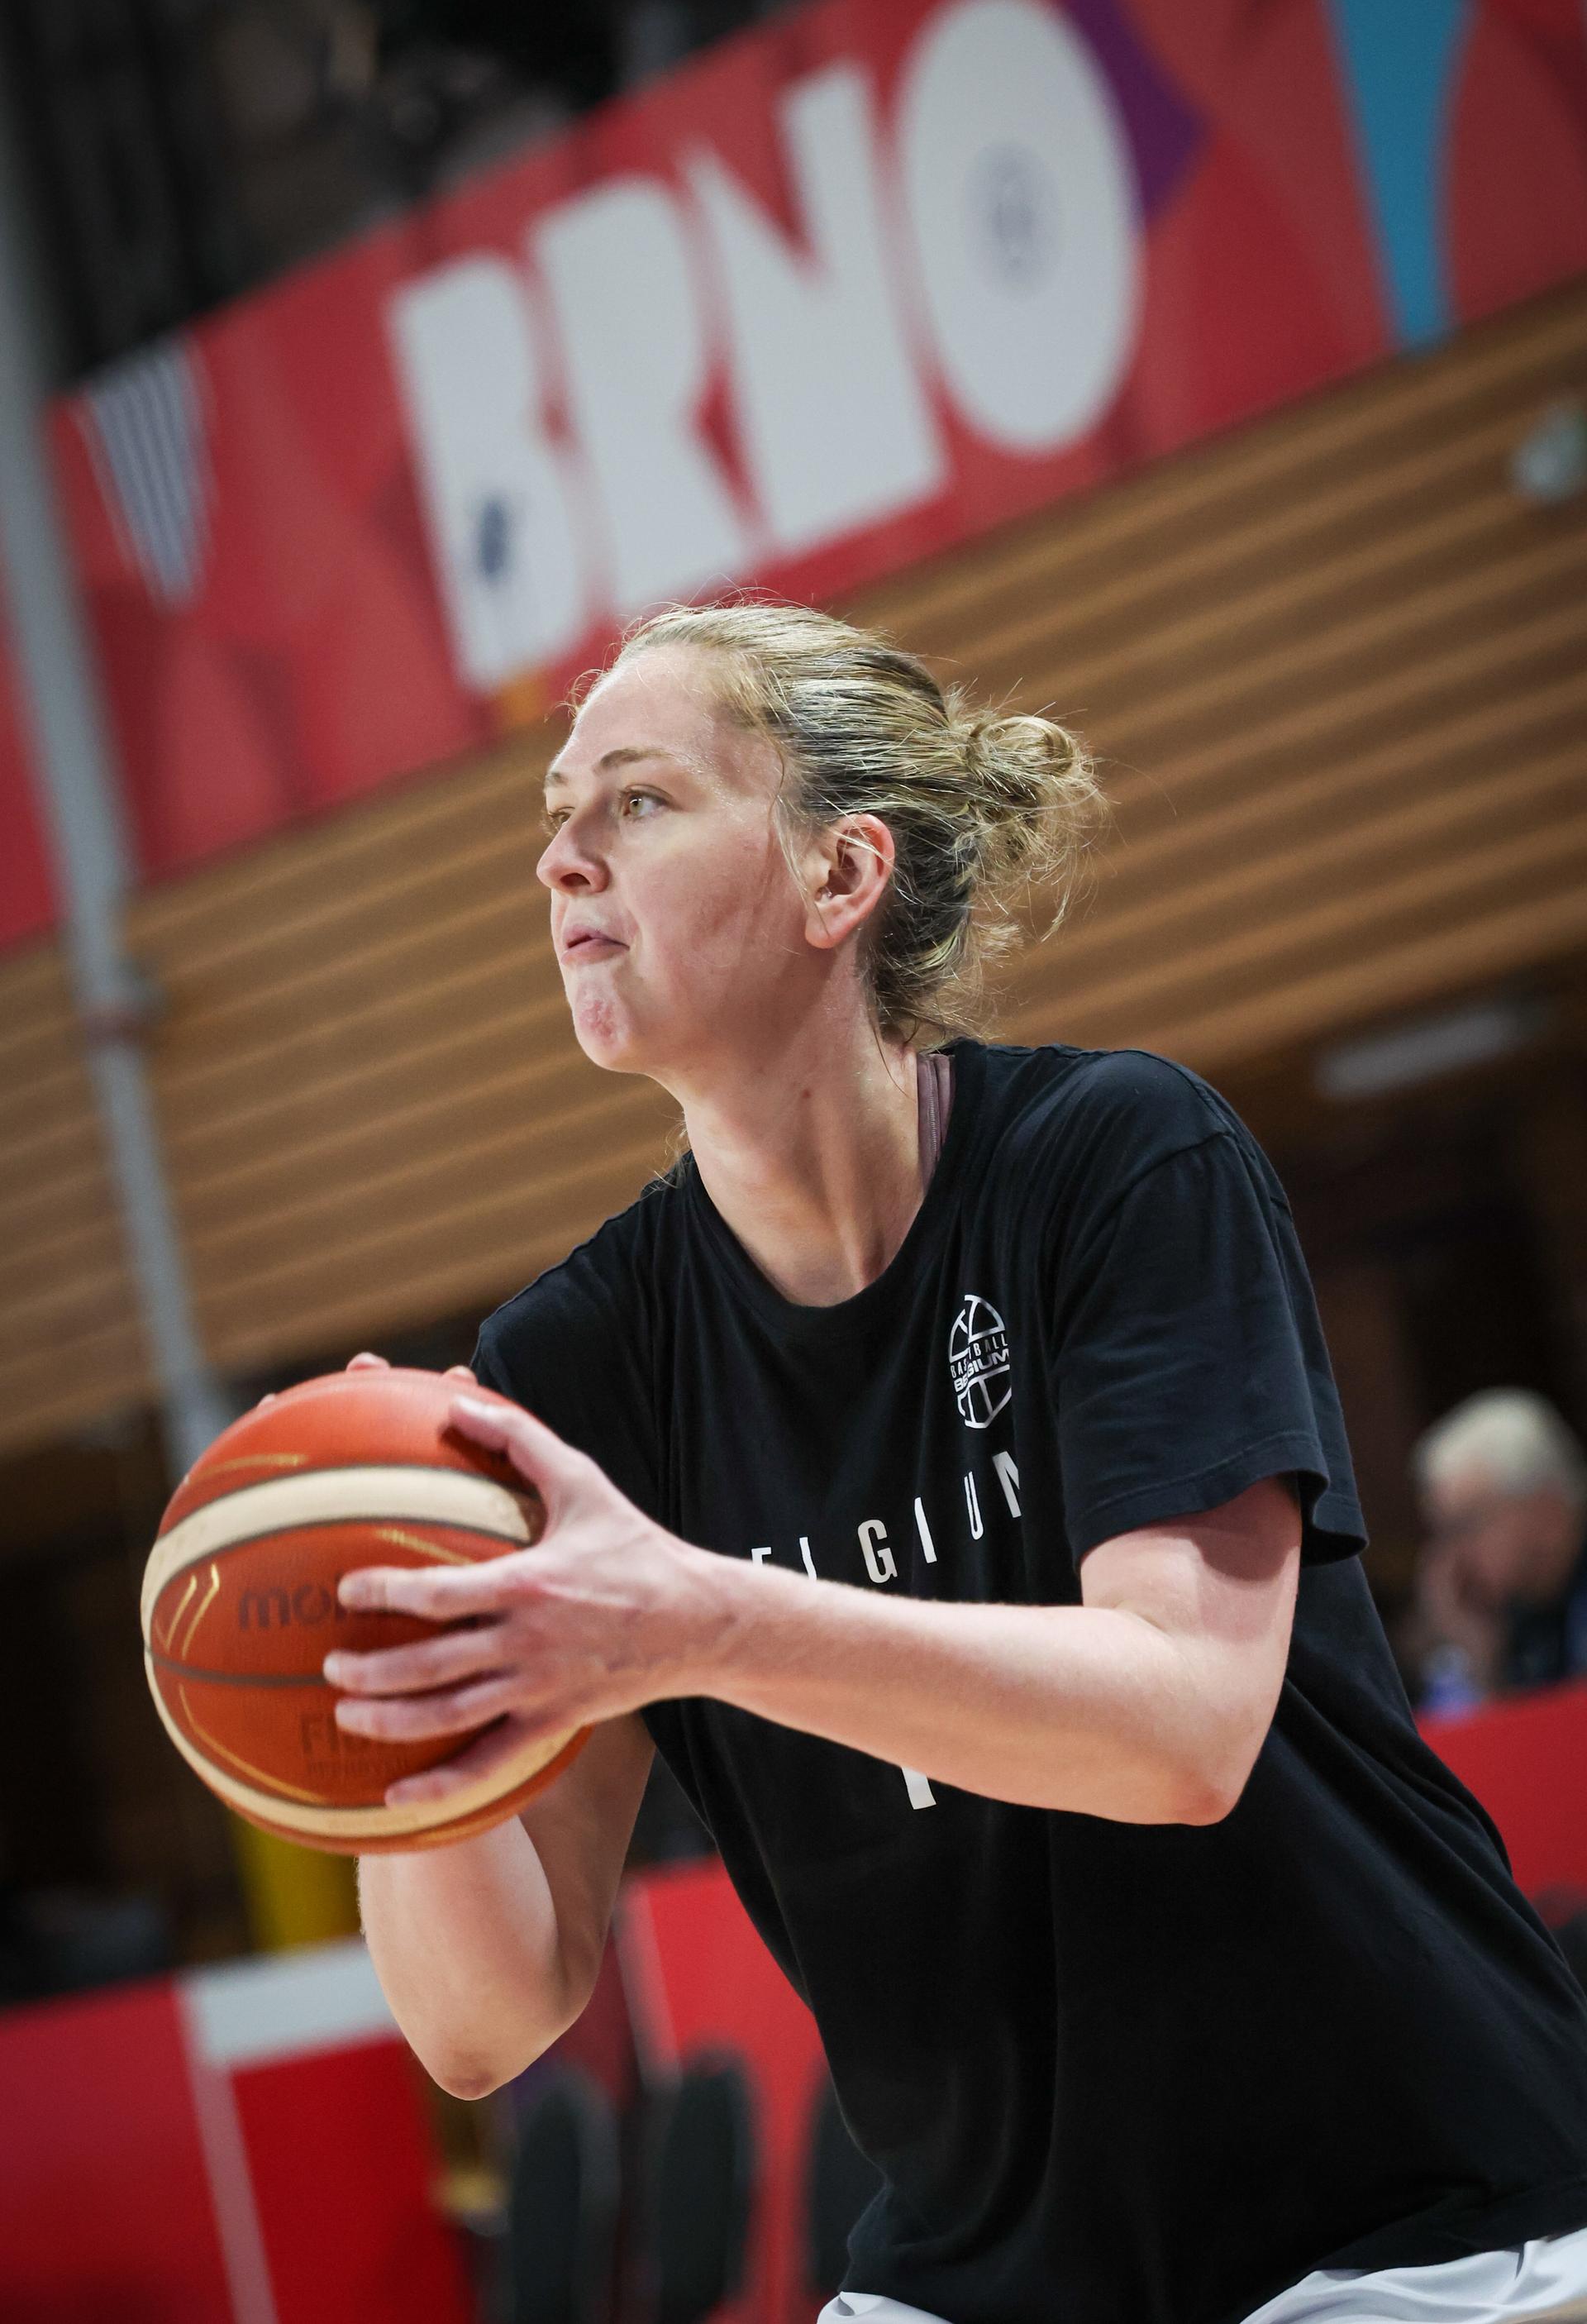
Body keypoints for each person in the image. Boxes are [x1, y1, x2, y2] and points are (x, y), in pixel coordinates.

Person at [322, 603, 1587, 2324]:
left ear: (841, 874)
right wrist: (390, 1712)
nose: (562, 860)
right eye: (557, 815)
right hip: (984, 2273)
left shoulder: (1118, 1163)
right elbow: (487, 2020)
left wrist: (697, 1617)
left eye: (640, 800)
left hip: (1398, 2218)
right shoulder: (579, 1367)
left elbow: (1182, 1726)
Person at [1408, 1388, 1587, 1706]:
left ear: (1547, 1509)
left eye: (1466, 1526)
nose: (1453, 1557)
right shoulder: (1513, 1615)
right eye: (1444, 1534)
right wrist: (1480, 1658)